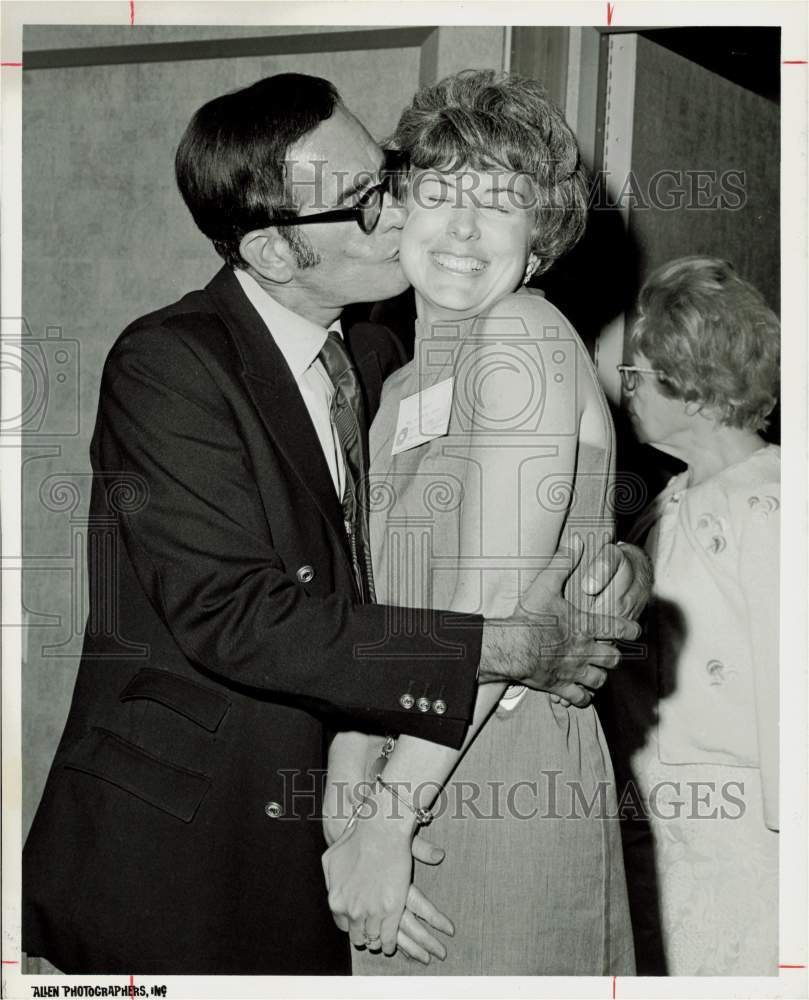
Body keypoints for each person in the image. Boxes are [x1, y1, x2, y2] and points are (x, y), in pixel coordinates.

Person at [21, 73, 647, 975]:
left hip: (462, 780)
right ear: (274, 252)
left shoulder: (451, 340)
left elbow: (502, 552)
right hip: (203, 842)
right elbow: (236, 613)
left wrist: (613, 561)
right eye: (382, 197)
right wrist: (364, 802)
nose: (399, 213)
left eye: (387, 175)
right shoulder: (187, 364)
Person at [322, 70, 637, 975]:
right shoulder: (397, 392)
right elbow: (383, 613)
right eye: (437, 192)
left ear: (538, 244)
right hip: (408, 768)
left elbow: (488, 605)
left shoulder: (524, 334)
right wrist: (352, 787)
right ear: (396, 210)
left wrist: (387, 821)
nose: (461, 228)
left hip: (501, 767)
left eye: (499, 204)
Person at [606, 256, 780, 975]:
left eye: (637, 378)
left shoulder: (769, 505)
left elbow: (785, 681)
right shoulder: (667, 501)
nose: (627, 395)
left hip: (748, 829)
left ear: (696, 388)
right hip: (667, 812)